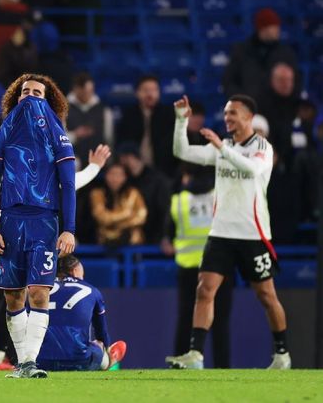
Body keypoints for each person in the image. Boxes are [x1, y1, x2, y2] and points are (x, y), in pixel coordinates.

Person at [166, 94, 291, 369]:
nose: (227, 118)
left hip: (253, 234)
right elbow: (182, 152)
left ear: (248, 117)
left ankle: (282, 354)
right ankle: (196, 355)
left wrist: (221, 148)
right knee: (205, 290)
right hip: (221, 232)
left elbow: (251, 169)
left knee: (267, 296)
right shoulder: (225, 146)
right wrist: (180, 121)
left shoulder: (262, 148)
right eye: (225, 113)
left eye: (232, 113)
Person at [0, 144, 110, 370]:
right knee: (13, 299)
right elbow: (67, 184)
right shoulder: (20, 178)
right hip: (6, 244)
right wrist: (94, 168)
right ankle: (0, 358)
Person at [0, 73, 77, 379]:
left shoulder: (58, 138)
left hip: (44, 223)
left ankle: (29, 362)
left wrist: (69, 228)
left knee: (38, 292)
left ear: (49, 102)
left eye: (38, 93)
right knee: (12, 296)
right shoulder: (4, 136)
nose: (31, 97)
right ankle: (24, 363)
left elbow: (68, 185)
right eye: (26, 92)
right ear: (16, 97)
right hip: (9, 222)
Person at [161, 164, 233, 368]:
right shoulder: (219, 197)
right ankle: (222, 367)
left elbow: (168, 237)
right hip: (220, 265)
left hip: (188, 266)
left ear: (187, 177)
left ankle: (180, 362)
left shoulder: (179, 200)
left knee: (186, 318)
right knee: (220, 321)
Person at [37, 255, 127, 371]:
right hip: (79, 361)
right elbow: (101, 332)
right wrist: (106, 347)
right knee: (98, 344)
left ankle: (12, 361)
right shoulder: (92, 291)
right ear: (74, 271)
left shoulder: (39, 289)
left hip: (40, 361)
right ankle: (109, 360)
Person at [222, 8, 299, 101]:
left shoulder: (286, 53)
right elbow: (229, 81)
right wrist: (242, 100)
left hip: (277, 108)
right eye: (273, 26)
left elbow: (296, 82)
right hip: (249, 107)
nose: (278, 30)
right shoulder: (241, 51)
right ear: (263, 28)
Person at [117, 75, 177, 177]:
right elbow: (122, 143)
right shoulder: (129, 115)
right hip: (133, 171)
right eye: (145, 90)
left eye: (154, 90)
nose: (150, 94)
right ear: (137, 93)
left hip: (164, 171)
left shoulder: (169, 114)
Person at [89, 162, 147, 246]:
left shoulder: (133, 193)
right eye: (112, 174)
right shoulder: (97, 193)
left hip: (131, 241)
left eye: (119, 175)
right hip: (104, 240)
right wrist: (126, 214)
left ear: (125, 177)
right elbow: (101, 217)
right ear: (106, 175)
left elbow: (141, 216)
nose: (115, 179)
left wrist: (118, 224)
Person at [66, 72, 114, 166]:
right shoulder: (63, 109)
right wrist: (75, 135)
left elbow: (109, 138)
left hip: (98, 161)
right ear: (75, 89)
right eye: (84, 92)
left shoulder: (103, 110)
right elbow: (56, 140)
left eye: (90, 91)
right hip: (72, 161)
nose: (87, 95)